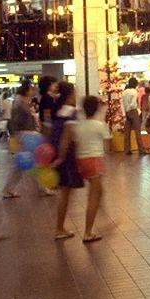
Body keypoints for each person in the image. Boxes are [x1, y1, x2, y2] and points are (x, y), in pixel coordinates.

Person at [58, 95, 111, 243]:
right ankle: (88, 232)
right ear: (97, 109)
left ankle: (92, 225)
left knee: (97, 192)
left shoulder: (78, 126)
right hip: (95, 160)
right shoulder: (100, 125)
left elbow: (72, 143)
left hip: (80, 161)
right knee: (93, 196)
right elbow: (107, 146)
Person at [49, 82, 84, 240]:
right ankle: (59, 228)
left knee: (64, 192)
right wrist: (62, 157)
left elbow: (48, 133)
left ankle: (60, 227)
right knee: (65, 193)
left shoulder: (57, 112)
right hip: (66, 156)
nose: (76, 95)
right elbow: (67, 137)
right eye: (74, 92)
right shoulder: (72, 112)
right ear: (69, 95)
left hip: (55, 153)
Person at [2, 83, 46, 198]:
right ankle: (42, 188)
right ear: (26, 91)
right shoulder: (19, 104)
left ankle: (9, 189)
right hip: (25, 135)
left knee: (22, 163)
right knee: (29, 161)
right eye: (31, 89)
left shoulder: (22, 102)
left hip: (24, 134)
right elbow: (16, 121)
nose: (33, 91)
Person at [121, 77, 146, 155]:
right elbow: (132, 103)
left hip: (126, 113)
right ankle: (141, 150)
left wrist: (124, 113)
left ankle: (127, 150)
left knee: (127, 132)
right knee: (137, 131)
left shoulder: (124, 92)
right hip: (133, 111)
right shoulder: (134, 92)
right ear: (135, 84)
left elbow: (121, 104)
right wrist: (129, 110)